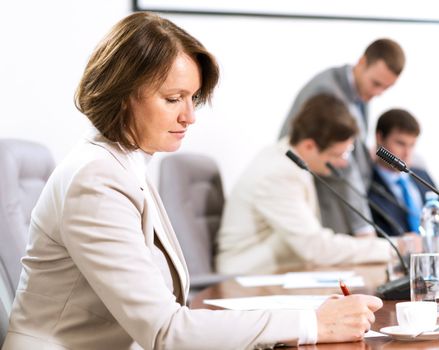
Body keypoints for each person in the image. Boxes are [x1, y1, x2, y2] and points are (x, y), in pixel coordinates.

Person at [2, 12, 384, 350]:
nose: (190, 117)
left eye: (193, 99)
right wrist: (310, 323)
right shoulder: (97, 179)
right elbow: (167, 331)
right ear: (123, 96)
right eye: (173, 99)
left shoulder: (124, 163)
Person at [216, 93, 399, 276]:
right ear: (309, 146)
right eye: (337, 155)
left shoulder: (287, 159)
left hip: (277, 274)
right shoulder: (278, 173)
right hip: (246, 278)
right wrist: (393, 248)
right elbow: (315, 248)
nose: (344, 163)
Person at [278, 38, 405, 237]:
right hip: (324, 200)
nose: (377, 93)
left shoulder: (358, 91)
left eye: (385, 88)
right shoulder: (327, 93)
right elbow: (342, 165)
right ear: (362, 62)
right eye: (376, 83)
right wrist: (363, 228)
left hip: (341, 199)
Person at [368, 108, 439, 248]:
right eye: (400, 143)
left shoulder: (420, 175)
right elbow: (390, 238)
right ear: (379, 138)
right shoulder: (367, 185)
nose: (407, 153)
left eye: (412, 145)